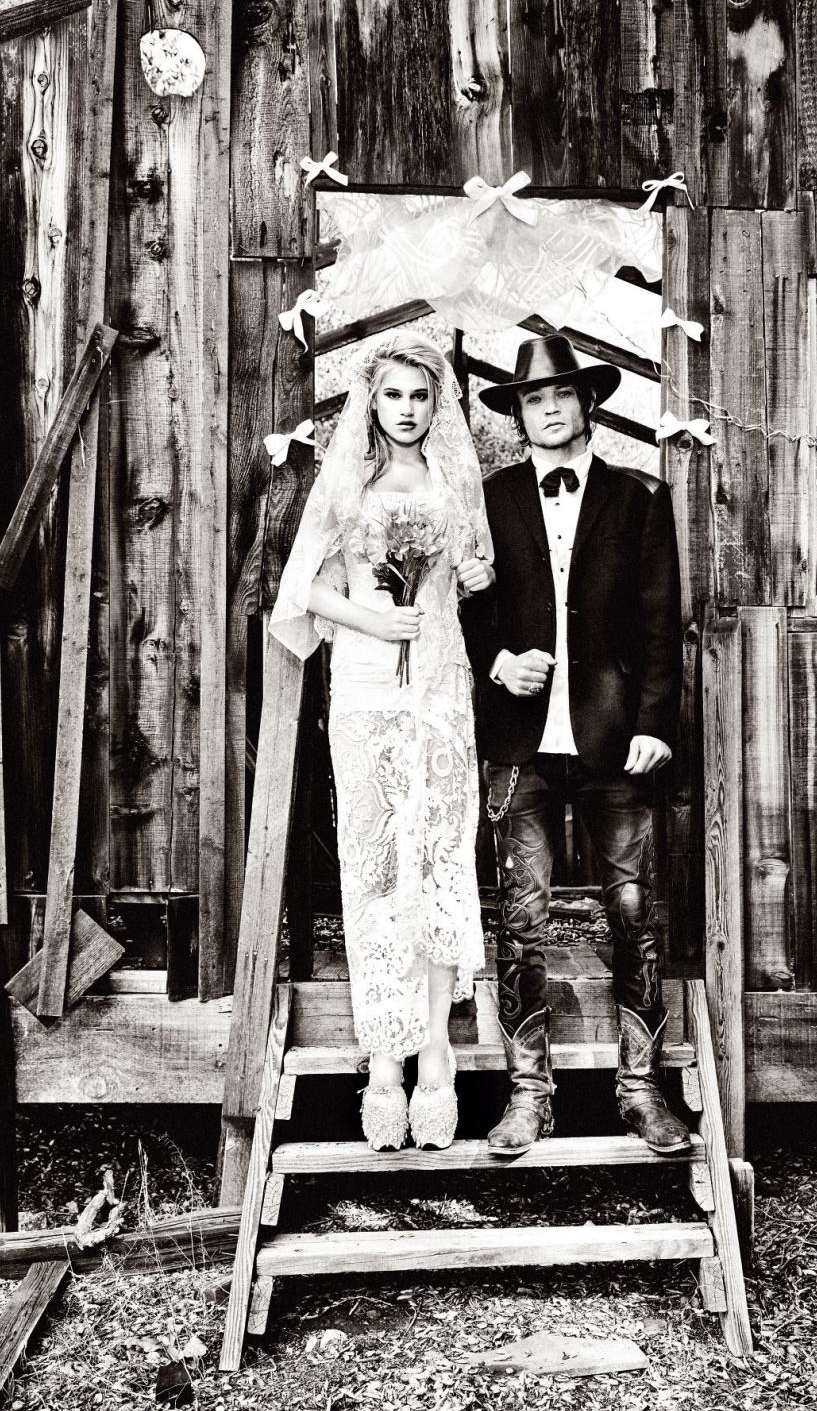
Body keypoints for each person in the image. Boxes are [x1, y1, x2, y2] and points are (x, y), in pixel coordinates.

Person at [465, 334, 690, 1157]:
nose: (550, 408)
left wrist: (655, 723)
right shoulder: (486, 500)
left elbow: (661, 621)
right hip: (519, 741)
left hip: (615, 741)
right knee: (521, 920)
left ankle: (641, 1091)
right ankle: (528, 1096)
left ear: (587, 402)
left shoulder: (637, 497)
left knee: (632, 913)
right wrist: (496, 660)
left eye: (562, 393)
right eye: (534, 398)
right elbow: (460, 607)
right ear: (518, 413)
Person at [270, 332, 494, 1151]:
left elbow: (474, 572)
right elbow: (304, 591)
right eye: (392, 394)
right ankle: (383, 1061)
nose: (405, 409)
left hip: (439, 686)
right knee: (374, 871)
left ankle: (434, 1051)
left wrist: (473, 576)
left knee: (437, 863)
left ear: (438, 406)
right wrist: (372, 619)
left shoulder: (453, 481)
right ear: (371, 401)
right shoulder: (348, 482)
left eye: (420, 396)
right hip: (367, 687)